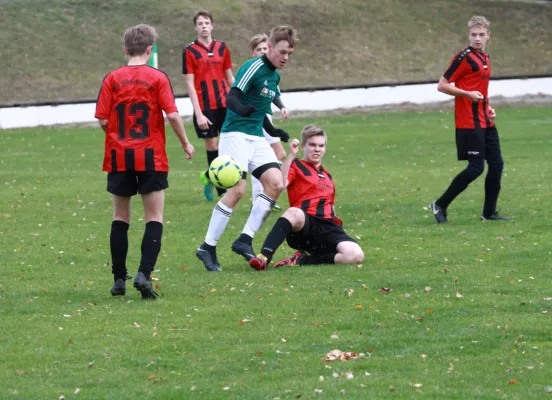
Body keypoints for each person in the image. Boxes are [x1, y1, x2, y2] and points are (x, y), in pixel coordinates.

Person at [95, 24, 195, 299]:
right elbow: (173, 116)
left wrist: (115, 136)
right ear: (150, 50)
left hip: (118, 155)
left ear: (125, 49)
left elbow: (103, 119)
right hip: (151, 155)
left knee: (120, 218)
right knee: (154, 217)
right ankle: (143, 274)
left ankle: (118, 279)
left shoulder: (112, 78)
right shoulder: (157, 78)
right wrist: (185, 142)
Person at [196, 25, 296, 272]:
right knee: (238, 191)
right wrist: (242, 110)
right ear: (270, 47)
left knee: (276, 184)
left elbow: (261, 112)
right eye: (282, 52)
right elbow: (232, 97)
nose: (285, 58)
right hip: (234, 135)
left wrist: (276, 133)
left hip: (256, 138)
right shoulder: (253, 67)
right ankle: (207, 247)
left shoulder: (275, 77)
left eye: (289, 54)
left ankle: (244, 239)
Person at [249, 125, 365, 271]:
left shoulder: (327, 175)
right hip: (306, 226)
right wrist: (291, 155)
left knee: (355, 255)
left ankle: (303, 260)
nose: (317, 149)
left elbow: (331, 206)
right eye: (312, 145)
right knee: (293, 212)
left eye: (321, 146)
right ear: (303, 147)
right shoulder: (296, 165)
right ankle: (264, 257)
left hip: (328, 227)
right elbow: (281, 183)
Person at [430, 16, 510, 224]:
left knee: (497, 165)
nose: (477, 39)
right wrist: (467, 95)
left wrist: (488, 107)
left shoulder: (485, 58)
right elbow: (442, 85)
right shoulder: (464, 57)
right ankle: (440, 204)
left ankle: (489, 213)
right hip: (469, 121)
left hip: (486, 119)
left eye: (481, 35)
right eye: (474, 35)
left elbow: (480, 90)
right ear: (468, 35)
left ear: (488, 36)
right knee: (476, 168)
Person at [182, 9, 234, 201]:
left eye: (206, 23)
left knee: (228, 145)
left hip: (225, 104)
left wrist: (239, 100)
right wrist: (198, 113)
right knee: (212, 146)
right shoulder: (189, 51)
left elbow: (229, 78)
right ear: (195, 28)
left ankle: (210, 175)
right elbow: (189, 83)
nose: (204, 26)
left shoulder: (222, 48)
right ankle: (221, 188)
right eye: (200, 23)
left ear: (212, 26)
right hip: (205, 107)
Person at [249, 33, 289, 211]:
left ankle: (262, 197)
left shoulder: (272, 71)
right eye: (259, 49)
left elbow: (273, 94)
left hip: (267, 119)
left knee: (275, 156)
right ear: (253, 52)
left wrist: (281, 107)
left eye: (265, 48)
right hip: (258, 120)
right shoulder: (254, 72)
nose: (263, 52)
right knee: (274, 156)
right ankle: (261, 197)